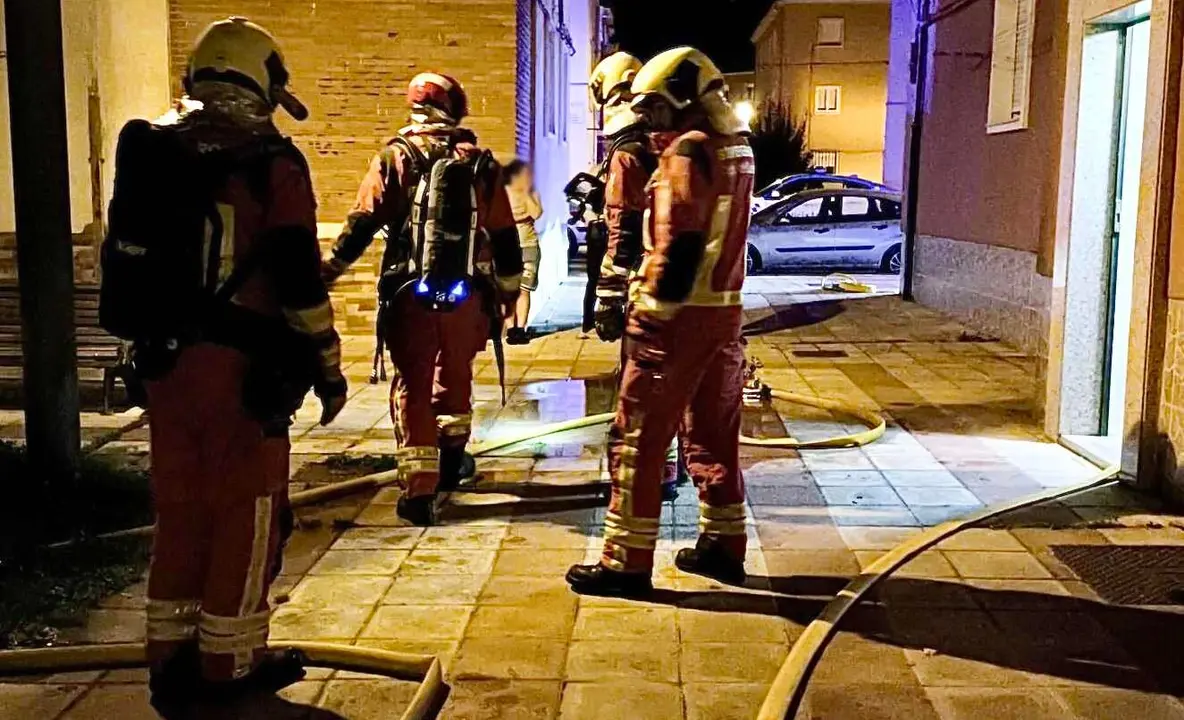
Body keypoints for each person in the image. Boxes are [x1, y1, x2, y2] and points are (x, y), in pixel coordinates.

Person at [131, 17, 348, 703]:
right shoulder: (270, 161)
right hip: (242, 374)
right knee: (246, 516)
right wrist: (327, 363)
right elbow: (298, 277)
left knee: (182, 508)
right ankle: (230, 666)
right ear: (261, 80)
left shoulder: (154, 150)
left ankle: (169, 659)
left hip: (164, 363)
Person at [566, 47, 755, 598]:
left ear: (683, 103)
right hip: (724, 315)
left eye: (656, 112)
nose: (649, 125)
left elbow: (678, 242)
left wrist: (647, 314)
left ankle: (624, 563)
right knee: (714, 433)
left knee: (638, 439)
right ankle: (723, 546)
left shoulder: (685, 154)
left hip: (673, 323)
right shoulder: (736, 150)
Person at [323, 73, 521, 527]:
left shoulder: (395, 156)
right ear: (457, 108)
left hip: (408, 292)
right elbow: (505, 234)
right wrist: (508, 290)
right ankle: (451, 461)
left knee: (412, 382)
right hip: (467, 294)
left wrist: (331, 270)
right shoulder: (479, 162)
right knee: (454, 373)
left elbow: (362, 221)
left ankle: (418, 490)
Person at [584, 51, 683, 500]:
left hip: (642, 286)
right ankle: (668, 469)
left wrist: (607, 295)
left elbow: (623, 228)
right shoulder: (668, 145)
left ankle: (635, 479)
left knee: (637, 386)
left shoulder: (625, 155)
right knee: (668, 384)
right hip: (679, 284)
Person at [504, 160, 542, 345]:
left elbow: (536, 213)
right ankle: (511, 328)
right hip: (508, 243)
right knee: (508, 289)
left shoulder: (531, 192)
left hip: (528, 243)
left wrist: (525, 194)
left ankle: (521, 328)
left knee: (524, 289)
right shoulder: (503, 192)